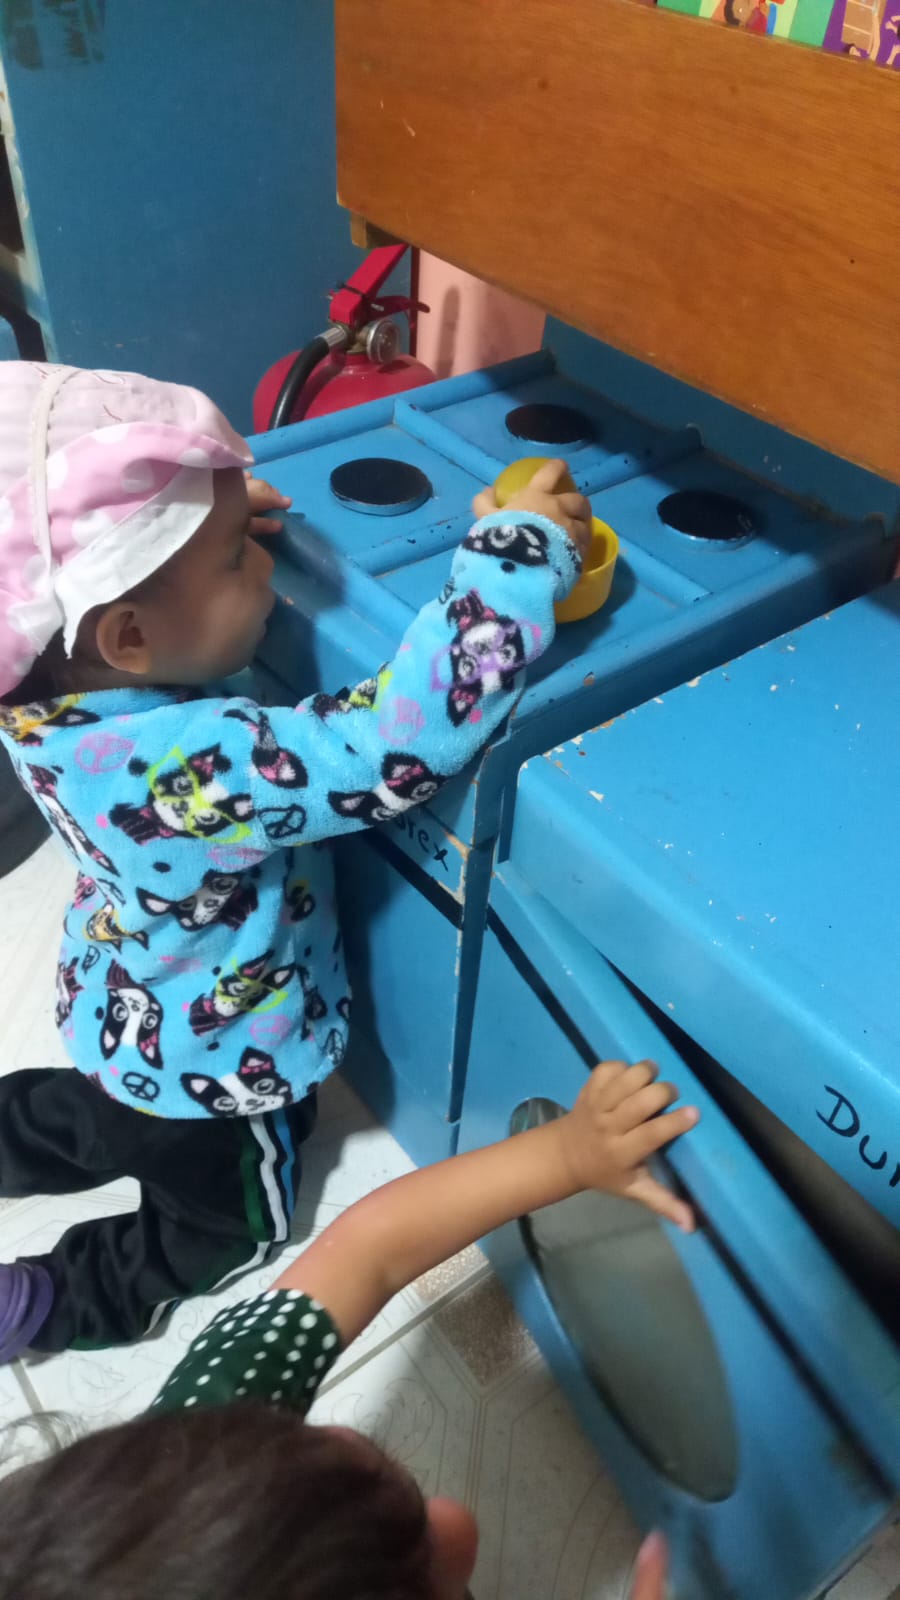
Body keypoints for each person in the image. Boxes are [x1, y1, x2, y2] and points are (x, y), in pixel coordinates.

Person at [0, 361, 593, 1359]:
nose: (264, 571)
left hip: (117, 1001)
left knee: (97, 1115)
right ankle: (46, 1302)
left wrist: (204, 535)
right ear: (129, 633)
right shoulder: (197, 765)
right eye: (240, 559)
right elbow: (394, 746)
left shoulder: (40, 690)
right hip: (214, 1070)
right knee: (229, 1225)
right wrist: (515, 557)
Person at [0, 1054, 697, 1598]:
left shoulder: (197, 1453)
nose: (343, 1436)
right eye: (421, 1555)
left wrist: (567, 1154)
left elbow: (369, 1251)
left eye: (288, 1434)